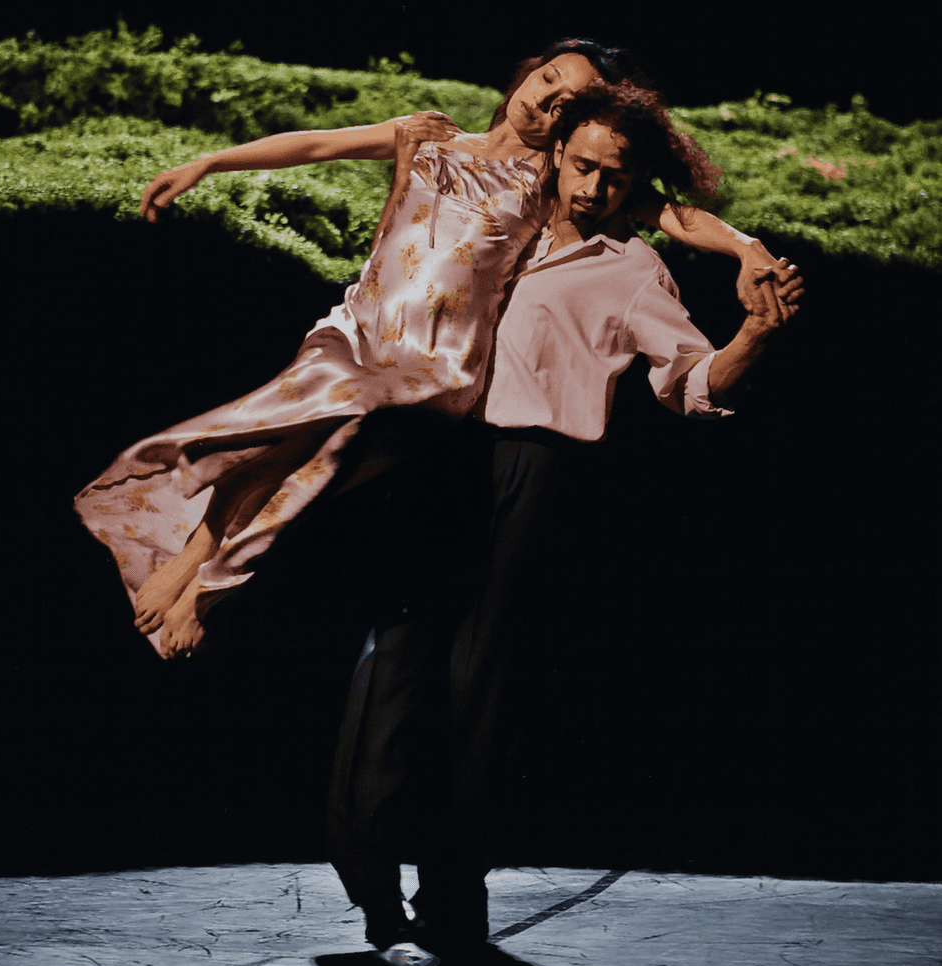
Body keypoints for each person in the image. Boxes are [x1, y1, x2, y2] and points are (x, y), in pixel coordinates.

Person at [75, 41, 789, 659]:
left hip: (435, 365)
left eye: (566, 102)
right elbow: (316, 144)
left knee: (333, 443)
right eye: (548, 81)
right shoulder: (430, 137)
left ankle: (211, 577)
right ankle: (200, 561)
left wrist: (743, 246)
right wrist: (209, 162)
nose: (547, 103)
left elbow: (670, 213)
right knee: (282, 433)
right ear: (527, 74)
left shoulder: (550, 179)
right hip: (358, 330)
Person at [325, 81, 805, 965]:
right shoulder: (492, 219)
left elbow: (691, 386)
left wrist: (753, 339)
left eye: (615, 178)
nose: (592, 188)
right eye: (581, 165)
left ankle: (452, 901)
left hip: (531, 471)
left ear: (636, 187)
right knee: (389, 672)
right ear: (553, 154)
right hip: (436, 457)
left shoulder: (629, 271)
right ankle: (364, 862)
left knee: (477, 693)